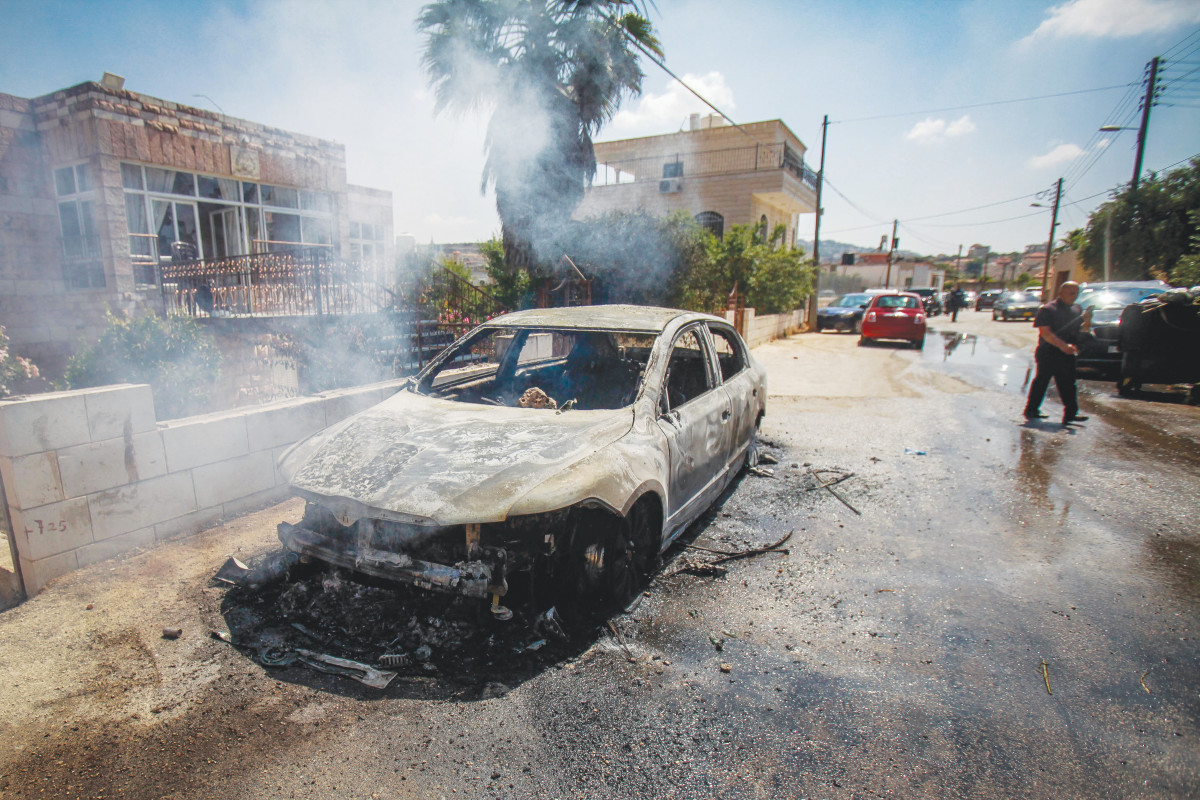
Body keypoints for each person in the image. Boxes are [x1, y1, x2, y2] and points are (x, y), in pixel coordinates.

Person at [1023, 281, 1093, 425]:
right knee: (1042, 381)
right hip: (1049, 352)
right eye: (1071, 293)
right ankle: (1031, 409)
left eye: (1076, 293)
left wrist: (1087, 322)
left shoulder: (1076, 309)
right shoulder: (1048, 309)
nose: (1074, 296)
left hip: (1067, 353)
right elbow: (1045, 333)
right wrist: (1062, 346)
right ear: (1060, 293)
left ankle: (1070, 414)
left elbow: (1081, 331)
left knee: (1068, 383)